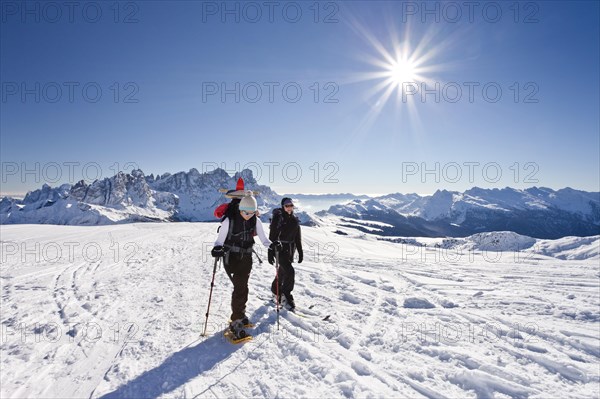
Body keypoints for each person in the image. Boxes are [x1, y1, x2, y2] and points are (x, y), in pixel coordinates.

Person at [211, 193, 275, 340]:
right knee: (240, 287)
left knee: (243, 286)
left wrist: (273, 246)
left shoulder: (255, 220)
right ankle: (236, 321)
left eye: (252, 212)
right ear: (240, 209)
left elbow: (265, 240)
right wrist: (216, 249)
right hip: (231, 258)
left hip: (246, 257)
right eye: (246, 212)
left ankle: (240, 314)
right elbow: (219, 241)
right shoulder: (229, 220)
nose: (248, 215)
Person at [269, 197, 303, 310]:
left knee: (283, 271)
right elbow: (272, 235)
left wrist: (300, 251)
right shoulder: (279, 218)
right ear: (283, 207)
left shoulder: (294, 219)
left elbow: (297, 238)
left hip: (290, 249)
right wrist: (271, 250)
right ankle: (286, 296)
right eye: (286, 205)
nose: (289, 208)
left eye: (291, 205)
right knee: (289, 270)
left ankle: (275, 291)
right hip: (280, 249)